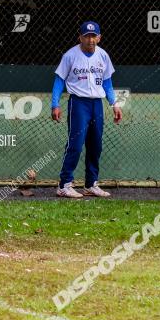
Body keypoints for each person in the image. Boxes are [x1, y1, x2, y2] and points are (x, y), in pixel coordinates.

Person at [51, 21, 123, 198]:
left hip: (96, 103)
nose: (90, 40)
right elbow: (59, 80)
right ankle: (64, 184)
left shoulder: (103, 55)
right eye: (86, 36)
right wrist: (55, 104)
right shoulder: (70, 55)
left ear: (99, 37)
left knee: (95, 145)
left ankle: (91, 184)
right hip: (79, 103)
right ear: (80, 37)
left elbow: (107, 82)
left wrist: (114, 104)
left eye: (93, 36)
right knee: (75, 144)